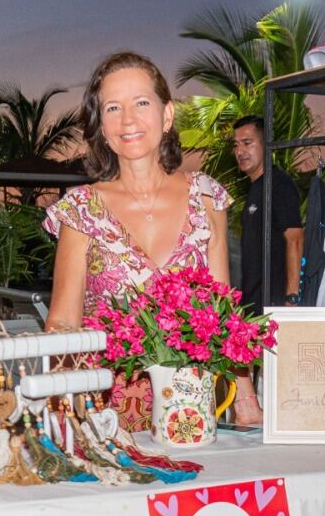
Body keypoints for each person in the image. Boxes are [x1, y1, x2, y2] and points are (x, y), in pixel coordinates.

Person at [45, 51, 270, 428]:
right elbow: (63, 324)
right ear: (100, 124)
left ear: (166, 115)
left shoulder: (206, 197)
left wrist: (246, 400)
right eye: (113, 108)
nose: (128, 119)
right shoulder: (81, 209)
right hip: (104, 417)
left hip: (191, 411)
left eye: (141, 103)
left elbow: (222, 318)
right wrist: (63, 415)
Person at [231, 116, 304, 309]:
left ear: (265, 145)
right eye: (236, 145)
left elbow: (295, 239)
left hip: (275, 303)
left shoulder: (279, 184)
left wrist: (291, 300)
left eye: (247, 143)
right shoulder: (256, 188)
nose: (240, 151)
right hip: (254, 302)